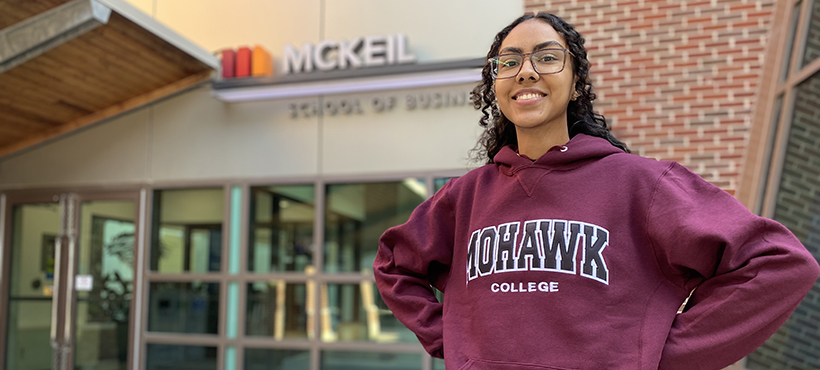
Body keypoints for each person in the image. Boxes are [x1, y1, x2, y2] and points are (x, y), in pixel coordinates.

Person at [373, 12, 820, 370]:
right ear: (496, 85)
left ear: (576, 83)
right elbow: (395, 264)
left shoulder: (641, 184)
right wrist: (450, 337)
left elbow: (779, 264)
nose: (525, 72)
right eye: (508, 62)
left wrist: (655, 355)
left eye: (547, 57)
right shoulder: (465, 197)